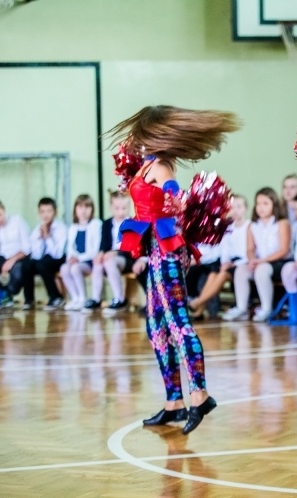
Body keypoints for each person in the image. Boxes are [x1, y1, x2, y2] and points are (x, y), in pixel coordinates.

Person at [107, 105, 239, 434]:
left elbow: (172, 191)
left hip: (168, 251)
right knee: (156, 329)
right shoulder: (147, 162)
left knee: (178, 324)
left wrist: (178, 198)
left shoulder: (161, 165)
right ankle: (174, 402)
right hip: (154, 250)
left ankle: (200, 395)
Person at [228, 187, 291, 322]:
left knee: (262, 270)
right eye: (258, 203)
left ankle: (267, 308)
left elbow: (284, 250)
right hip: (261, 261)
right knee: (241, 270)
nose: (261, 207)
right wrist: (252, 260)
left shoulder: (282, 223)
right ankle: (242, 308)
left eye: (265, 203)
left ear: (274, 204)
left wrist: (261, 261)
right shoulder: (253, 225)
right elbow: (250, 248)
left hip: (279, 262)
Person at [194, 194, 250, 320]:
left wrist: (236, 263)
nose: (235, 211)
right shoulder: (228, 229)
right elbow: (225, 249)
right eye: (232, 207)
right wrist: (225, 262)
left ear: (246, 209)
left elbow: (251, 251)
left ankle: (198, 302)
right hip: (230, 263)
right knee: (213, 275)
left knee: (222, 274)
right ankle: (199, 310)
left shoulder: (249, 226)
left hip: (244, 262)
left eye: (239, 207)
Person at [0, 199, 31, 309]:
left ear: (4, 210)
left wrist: (11, 260)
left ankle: (6, 294)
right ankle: (2, 293)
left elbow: (27, 248)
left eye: (0, 215)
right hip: (0, 258)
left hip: (19, 257)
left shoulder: (17, 220)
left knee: (19, 269)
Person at [88, 190, 133, 314]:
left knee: (109, 262)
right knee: (97, 263)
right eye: (117, 208)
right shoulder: (106, 223)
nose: (120, 212)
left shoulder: (132, 223)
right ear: (111, 207)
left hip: (126, 258)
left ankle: (120, 298)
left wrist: (116, 252)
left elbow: (130, 246)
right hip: (110, 256)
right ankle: (96, 298)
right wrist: (101, 253)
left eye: (124, 208)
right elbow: (104, 243)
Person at [59, 195, 103, 311]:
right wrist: (71, 257)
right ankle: (75, 297)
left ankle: (83, 298)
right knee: (64, 268)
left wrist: (78, 258)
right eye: (80, 207)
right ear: (75, 209)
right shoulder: (73, 227)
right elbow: (70, 247)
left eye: (87, 207)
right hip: (77, 260)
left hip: (90, 261)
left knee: (75, 268)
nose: (83, 210)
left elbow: (95, 250)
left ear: (92, 209)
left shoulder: (96, 224)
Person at [24, 197, 67, 310]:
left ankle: (56, 297)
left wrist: (48, 236)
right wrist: (39, 238)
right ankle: (29, 300)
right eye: (42, 212)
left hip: (58, 259)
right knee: (26, 264)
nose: (46, 215)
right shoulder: (38, 229)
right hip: (43, 260)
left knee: (42, 264)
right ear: (39, 213)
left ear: (55, 212)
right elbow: (36, 255)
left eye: (49, 211)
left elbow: (58, 253)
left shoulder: (61, 228)